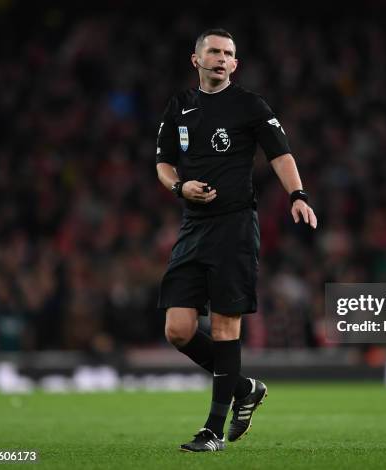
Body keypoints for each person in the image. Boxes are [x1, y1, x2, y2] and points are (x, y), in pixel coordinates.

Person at [155, 28, 317, 452]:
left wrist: (297, 195)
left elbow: (281, 153)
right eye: (214, 51)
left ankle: (211, 431)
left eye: (229, 53)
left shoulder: (249, 105)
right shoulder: (180, 107)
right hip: (193, 227)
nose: (222, 58)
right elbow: (164, 163)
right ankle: (244, 387)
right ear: (196, 59)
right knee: (178, 329)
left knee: (227, 327)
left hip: (234, 227)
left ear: (235, 63)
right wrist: (179, 188)